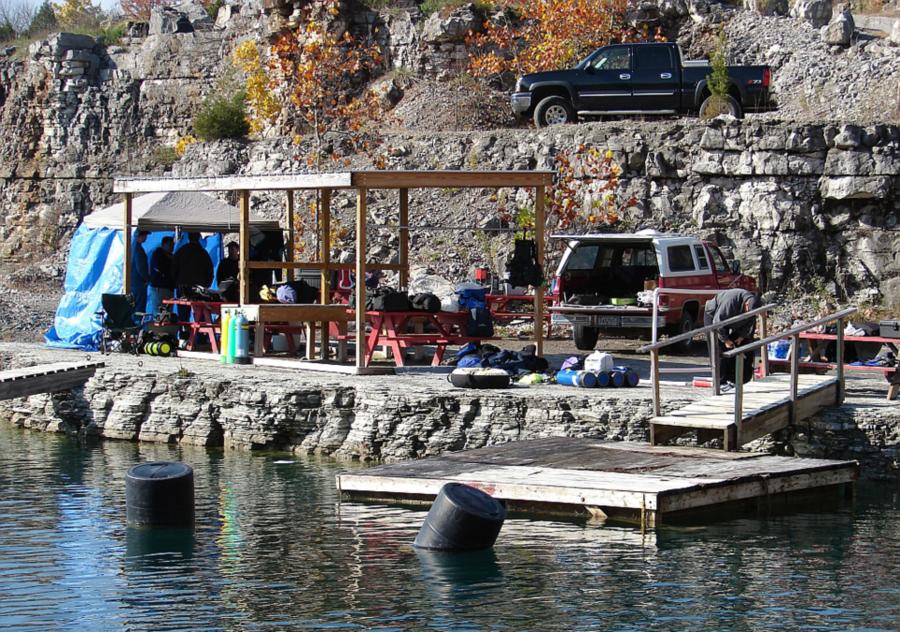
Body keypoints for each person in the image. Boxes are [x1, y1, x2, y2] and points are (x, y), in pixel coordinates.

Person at [703, 288, 762, 390]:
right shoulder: (731, 302)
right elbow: (717, 322)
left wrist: (741, 336)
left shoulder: (752, 306)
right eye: (749, 311)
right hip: (714, 315)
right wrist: (725, 340)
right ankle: (720, 381)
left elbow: (750, 321)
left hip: (735, 318)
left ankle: (736, 379)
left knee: (741, 344)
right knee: (718, 348)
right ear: (746, 305)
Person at [147, 236, 175, 318]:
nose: (172, 247)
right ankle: (158, 330)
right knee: (159, 311)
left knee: (168, 312)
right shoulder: (158, 254)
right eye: (169, 245)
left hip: (169, 288)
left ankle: (167, 329)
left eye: (173, 245)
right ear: (163, 245)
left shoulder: (171, 256)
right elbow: (160, 268)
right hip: (159, 287)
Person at [131, 230, 150, 315]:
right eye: (145, 235)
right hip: (139, 284)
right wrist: (147, 279)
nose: (146, 238)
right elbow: (141, 268)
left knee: (133, 307)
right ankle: (138, 325)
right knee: (139, 309)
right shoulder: (138, 250)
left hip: (133, 282)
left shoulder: (131, 247)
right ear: (140, 236)